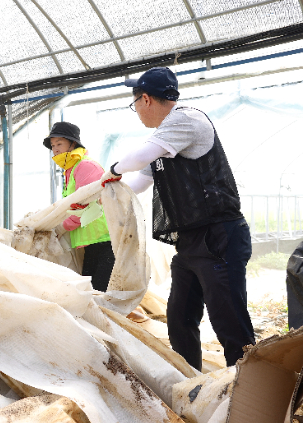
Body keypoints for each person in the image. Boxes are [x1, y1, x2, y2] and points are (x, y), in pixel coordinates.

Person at [99, 67, 255, 371]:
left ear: (145, 99)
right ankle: (191, 382)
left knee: (229, 323)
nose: (137, 114)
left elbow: (138, 159)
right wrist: (102, 198)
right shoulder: (165, 139)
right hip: (190, 243)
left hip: (219, 237)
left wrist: (115, 168)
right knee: (180, 319)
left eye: (135, 106)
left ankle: (250, 392)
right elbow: (140, 183)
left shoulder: (185, 120)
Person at [44, 122, 115, 292]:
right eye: (53, 145)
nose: (55, 149)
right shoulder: (71, 169)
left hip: (105, 241)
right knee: (90, 294)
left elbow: (84, 205)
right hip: (93, 243)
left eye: (59, 144)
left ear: (73, 144)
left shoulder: (85, 166)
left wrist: (62, 227)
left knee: (98, 296)